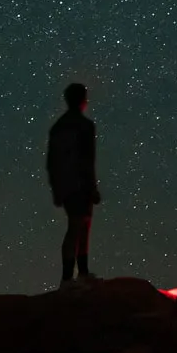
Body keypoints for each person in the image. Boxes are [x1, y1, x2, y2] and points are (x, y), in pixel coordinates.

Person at [46, 81, 101, 287]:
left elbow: (51, 162)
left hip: (66, 184)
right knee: (80, 226)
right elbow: (87, 159)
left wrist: (56, 188)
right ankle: (73, 277)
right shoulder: (85, 126)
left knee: (77, 226)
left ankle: (73, 276)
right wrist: (92, 187)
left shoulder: (58, 127)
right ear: (82, 100)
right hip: (80, 183)